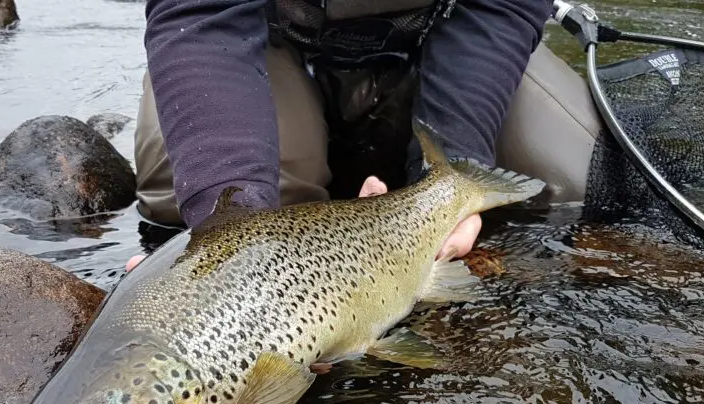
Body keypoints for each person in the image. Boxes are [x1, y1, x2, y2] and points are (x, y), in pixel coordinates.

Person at [127, 0, 602, 271]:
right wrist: (225, 217)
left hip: (437, 43)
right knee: (188, 201)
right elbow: (202, 20)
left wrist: (453, 171)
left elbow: (501, 8)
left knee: (569, 181)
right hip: (259, 48)